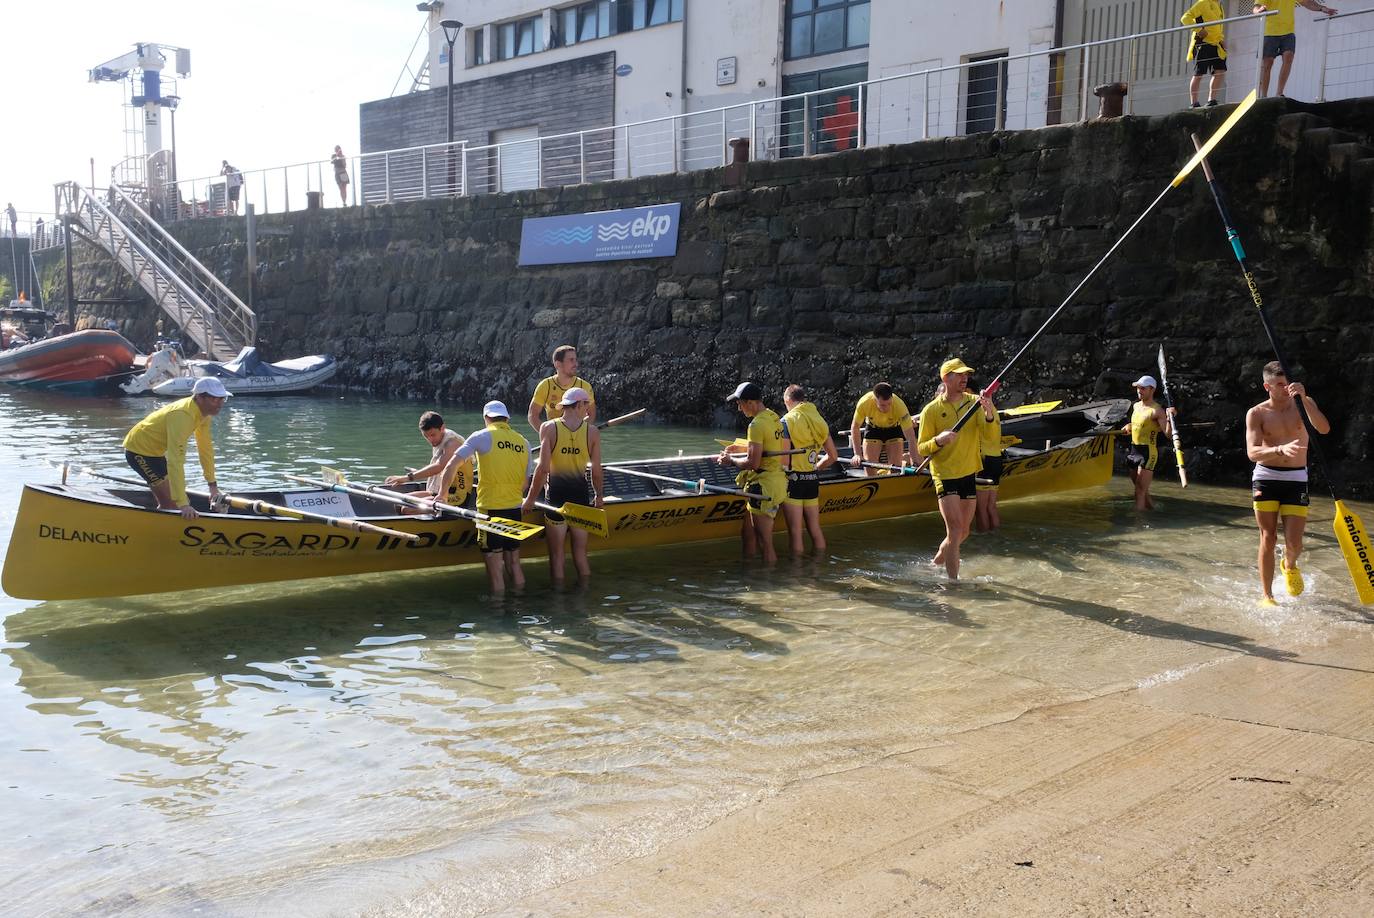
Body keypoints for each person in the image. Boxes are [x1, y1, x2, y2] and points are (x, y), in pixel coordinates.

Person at [1245, 360, 1330, 605]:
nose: (1286, 388)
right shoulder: (1257, 413)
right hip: (1266, 478)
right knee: (1268, 537)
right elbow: (1252, 452)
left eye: (1288, 383)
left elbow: (1324, 429)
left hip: (1296, 478)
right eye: (1280, 384)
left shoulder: (1304, 403)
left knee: (1295, 543)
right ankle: (1267, 595)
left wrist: (1304, 399)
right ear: (1267, 387)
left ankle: (1289, 564)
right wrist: (1279, 449)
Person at [438, 400, 533, 593]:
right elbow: (525, 482)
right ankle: (520, 600)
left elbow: (451, 466)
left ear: (486, 418)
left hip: (490, 510)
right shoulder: (524, 442)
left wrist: (442, 495)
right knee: (514, 562)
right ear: (507, 419)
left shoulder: (480, 436)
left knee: (494, 565)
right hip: (515, 509)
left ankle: (498, 607)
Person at [916, 358, 993, 580]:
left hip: (968, 472)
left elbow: (989, 435)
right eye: (959, 374)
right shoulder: (931, 410)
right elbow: (922, 448)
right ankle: (953, 584)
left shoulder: (975, 403)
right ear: (946, 379)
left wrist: (988, 412)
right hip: (945, 474)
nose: (964, 378)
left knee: (963, 532)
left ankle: (935, 563)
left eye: (966, 374)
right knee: (955, 530)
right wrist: (938, 440)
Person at [523, 387, 604, 586]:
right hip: (581, 498)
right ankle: (584, 593)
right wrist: (599, 496)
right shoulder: (592, 432)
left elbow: (542, 469)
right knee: (581, 554)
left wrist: (530, 500)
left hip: (556, 499)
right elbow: (596, 472)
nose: (588, 409)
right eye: (586, 405)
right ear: (578, 405)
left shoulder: (548, 428)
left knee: (557, 556)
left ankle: (558, 598)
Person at [122, 376, 231, 519]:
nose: (219, 404)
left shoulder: (204, 414)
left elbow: (205, 449)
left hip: (156, 453)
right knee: (172, 505)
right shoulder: (182, 415)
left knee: (176, 501)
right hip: (138, 452)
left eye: (222, 398)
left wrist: (213, 486)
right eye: (214, 399)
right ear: (199, 397)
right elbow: (175, 461)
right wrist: (183, 504)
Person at [717, 382, 787, 564]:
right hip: (776, 480)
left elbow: (753, 463)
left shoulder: (755, 425)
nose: (739, 409)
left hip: (763, 486)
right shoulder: (773, 417)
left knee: (765, 543)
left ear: (750, 402)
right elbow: (768, 446)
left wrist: (730, 460)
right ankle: (749, 571)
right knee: (747, 532)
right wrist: (742, 447)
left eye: (740, 404)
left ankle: (768, 579)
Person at [780, 384, 839, 557]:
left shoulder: (786, 421)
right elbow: (833, 456)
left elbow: (784, 460)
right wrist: (814, 469)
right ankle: (819, 564)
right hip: (812, 479)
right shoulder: (819, 420)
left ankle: (797, 570)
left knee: (795, 533)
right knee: (815, 529)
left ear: (787, 400)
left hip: (794, 481)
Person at [384, 411, 471, 508]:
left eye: (433, 435)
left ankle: (441, 511)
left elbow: (439, 466)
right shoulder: (439, 438)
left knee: (407, 509)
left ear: (442, 428)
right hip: (437, 491)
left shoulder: (452, 443)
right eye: (426, 436)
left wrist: (407, 478)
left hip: (457, 495)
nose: (430, 439)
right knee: (399, 503)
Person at [1253, 1, 1337, 99]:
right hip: (1269, 31)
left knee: (1289, 57)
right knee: (1267, 63)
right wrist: (1258, 11)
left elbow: (1307, 2)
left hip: (1288, 31)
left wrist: (1322, 8)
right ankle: (1263, 96)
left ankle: (1279, 93)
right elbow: (1256, 7)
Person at [1121, 374, 1176, 511]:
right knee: (1140, 488)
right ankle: (1152, 509)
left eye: (1143, 388)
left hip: (1148, 452)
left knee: (1139, 491)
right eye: (1138, 388)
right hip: (1134, 450)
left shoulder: (1157, 410)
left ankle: (1138, 520)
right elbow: (1139, 425)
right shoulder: (1136, 406)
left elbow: (1168, 435)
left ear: (1152, 390)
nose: (1139, 391)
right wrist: (1129, 426)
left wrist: (1169, 418)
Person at [848, 382, 920, 477]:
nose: (887, 408)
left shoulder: (899, 405)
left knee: (895, 468)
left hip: (894, 429)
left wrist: (914, 462)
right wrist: (857, 454)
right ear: (875, 400)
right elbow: (855, 427)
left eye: (889, 404)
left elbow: (910, 437)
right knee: (869, 466)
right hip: (873, 429)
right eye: (882, 405)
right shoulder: (864, 403)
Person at [528, 344, 596, 434]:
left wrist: (579, 432)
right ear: (558, 364)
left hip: (577, 436)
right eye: (571, 360)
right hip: (553, 434)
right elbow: (532, 416)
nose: (576, 364)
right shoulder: (545, 386)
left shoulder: (584, 386)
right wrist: (548, 434)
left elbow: (591, 414)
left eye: (575, 360)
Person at [1182, 1, 1228, 107]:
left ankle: (1211, 100)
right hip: (1203, 42)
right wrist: (1199, 29)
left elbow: (1218, 26)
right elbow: (1185, 18)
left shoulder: (1219, 5)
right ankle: (1194, 103)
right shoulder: (1203, 2)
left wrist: (1221, 40)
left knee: (1220, 71)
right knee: (1198, 74)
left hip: (1216, 44)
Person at [974, 381, 1004, 532]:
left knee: (981, 509)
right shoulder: (994, 409)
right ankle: (996, 535)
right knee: (991, 506)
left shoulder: (983, 411)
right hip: (997, 460)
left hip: (984, 461)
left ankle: (984, 539)